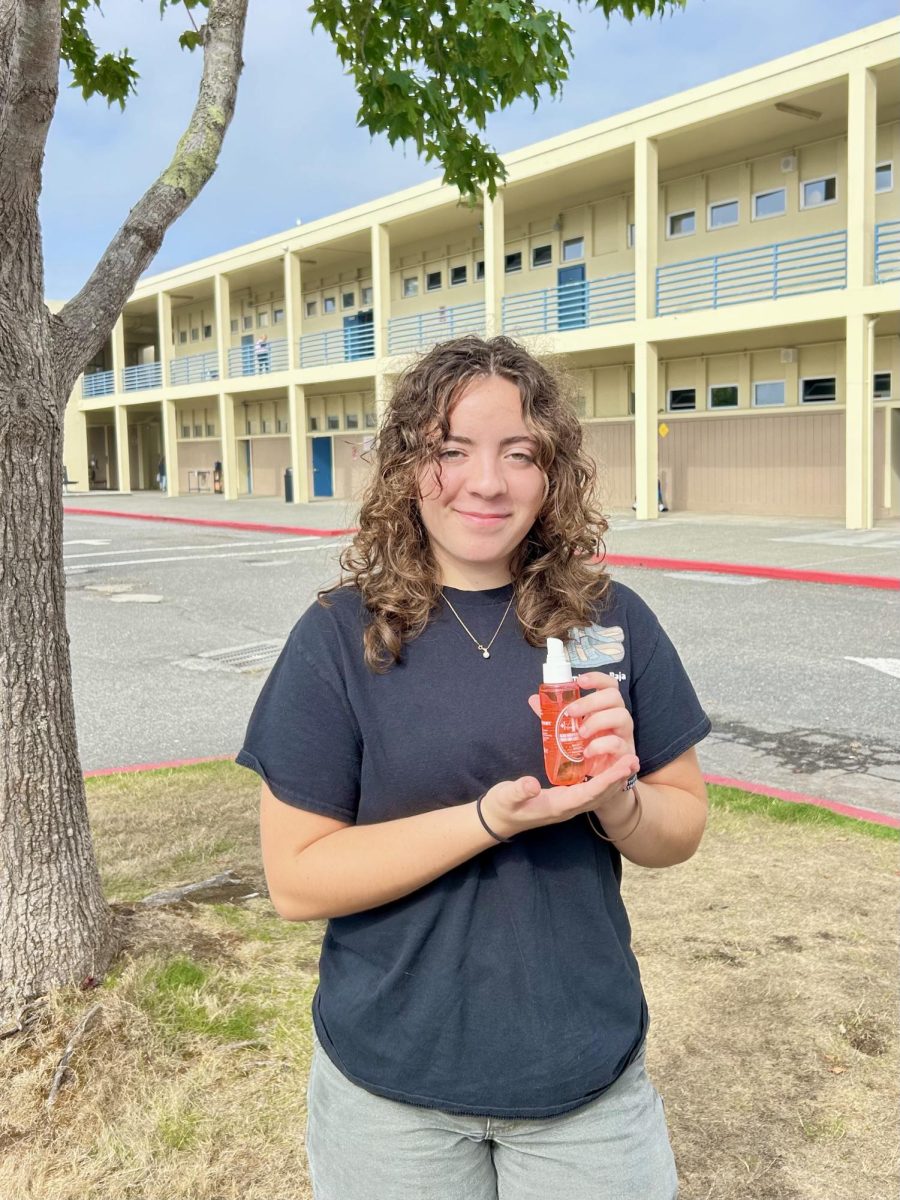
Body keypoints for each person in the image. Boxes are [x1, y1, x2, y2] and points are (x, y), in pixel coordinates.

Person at [235, 335, 711, 1200]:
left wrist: (621, 805)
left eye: (518, 453)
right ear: (407, 467)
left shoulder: (609, 620)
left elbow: (680, 827)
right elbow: (296, 881)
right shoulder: (343, 636)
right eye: (450, 450)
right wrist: (490, 820)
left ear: (552, 472)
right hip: (391, 1093)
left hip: (582, 1083)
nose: (485, 483)